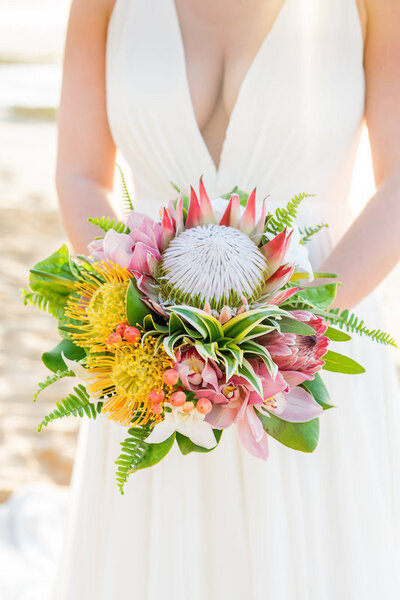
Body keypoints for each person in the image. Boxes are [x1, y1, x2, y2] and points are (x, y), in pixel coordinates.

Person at [54, 0, 400, 598]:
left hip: (316, 340)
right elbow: (80, 174)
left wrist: (295, 325)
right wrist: (132, 307)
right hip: (152, 356)